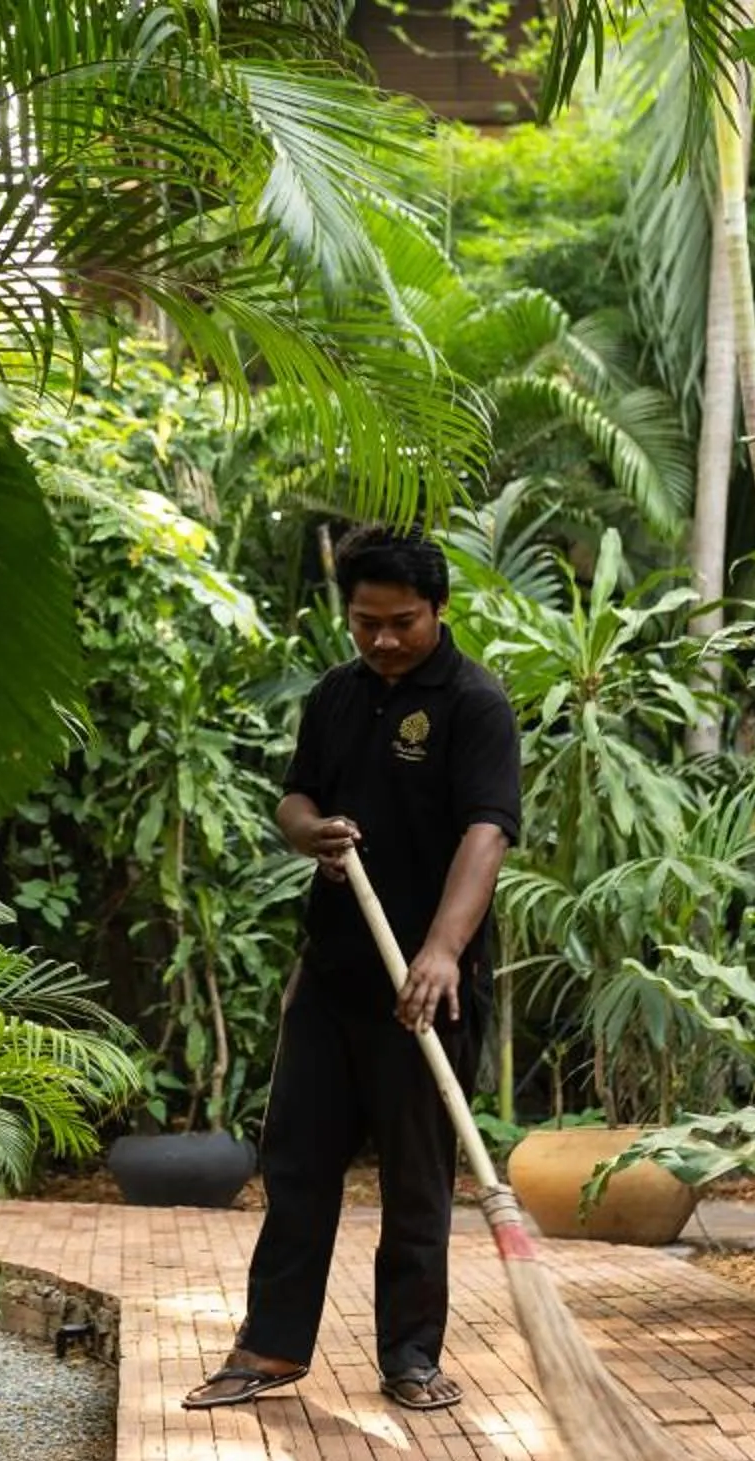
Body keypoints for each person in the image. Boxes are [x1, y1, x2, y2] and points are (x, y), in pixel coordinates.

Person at [183, 527, 523, 1415]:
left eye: (400, 622)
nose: (379, 640)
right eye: (364, 621)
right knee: (297, 1162)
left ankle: (411, 1357)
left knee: (416, 1179)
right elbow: (296, 796)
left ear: (439, 611)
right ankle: (270, 1348)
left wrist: (442, 952)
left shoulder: (475, 705)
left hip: (426, 990)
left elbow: (486, 832)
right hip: (333, 972)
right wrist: (312, 834)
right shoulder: (336, 695)